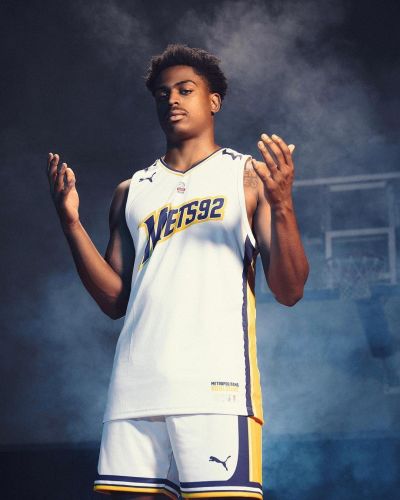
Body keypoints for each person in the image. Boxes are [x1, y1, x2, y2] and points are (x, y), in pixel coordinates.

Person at [46, 43, 309, 500]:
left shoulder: (249, 177)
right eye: (162, 93)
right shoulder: (131, 190)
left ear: (214, 100)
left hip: (214, 389)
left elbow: (290, 290)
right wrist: (71, 224)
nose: (172, 99)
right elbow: (114, 301)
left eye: (185, 90)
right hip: (134, 390)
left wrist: (283, 205)